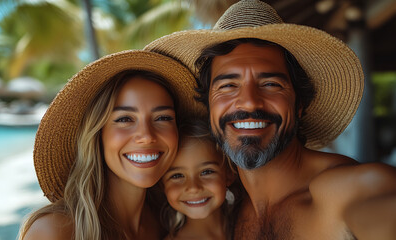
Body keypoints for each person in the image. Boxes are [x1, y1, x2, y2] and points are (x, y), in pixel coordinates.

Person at [144, 0, 396, 239]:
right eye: (228, 85)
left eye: (271, 84)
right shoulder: (227, 212)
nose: (250, 101)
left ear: (299, 105)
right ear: (208, 107)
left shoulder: (350, 191)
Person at [18, 50, 205, 240]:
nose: (147, 136)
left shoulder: (167, 219)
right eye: (125, 119)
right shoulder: (55, 231)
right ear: (98, 134)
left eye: (163, 118)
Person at [160, 118, 241, 240]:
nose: (193, 188)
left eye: (206, 172)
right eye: (177, 176)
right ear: (162, 185)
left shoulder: (252, 224)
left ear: (229, 174)